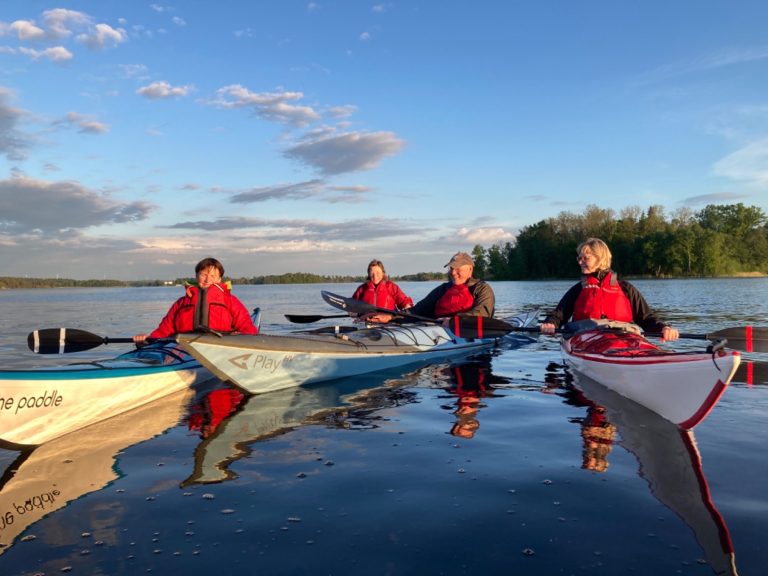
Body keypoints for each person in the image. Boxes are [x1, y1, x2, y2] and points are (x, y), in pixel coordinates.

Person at [539, 238, 679, 341]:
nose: (580, 262)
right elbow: (558, 315)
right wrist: (550, 324)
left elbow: (646, 318)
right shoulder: (578, 289)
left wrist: (663, 328)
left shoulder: (626, 289)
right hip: (586, 340)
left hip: (624, 340)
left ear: (600, 259)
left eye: (585, 258)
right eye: (579, 258)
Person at [134, 257, 258, 343]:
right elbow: (164, 331)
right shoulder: (181, 303)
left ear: (220, 279)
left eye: (213, 276)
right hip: (184, 349)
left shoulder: (230, 301)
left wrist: (244, 340)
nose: (207, 279)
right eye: (203, 274)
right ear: (196, 276)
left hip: (220, 347)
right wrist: (146, 340)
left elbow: (248, 328)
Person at [366, 251, 495, 323]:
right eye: (451, 268)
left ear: (470, 269)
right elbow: (418, 310)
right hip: (439, 330)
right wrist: (390, 317)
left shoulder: (482, 289)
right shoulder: (443, 289)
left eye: (458, 268)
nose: (453, 272)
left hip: (468, 333)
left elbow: (482, 314)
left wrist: (453, 320)